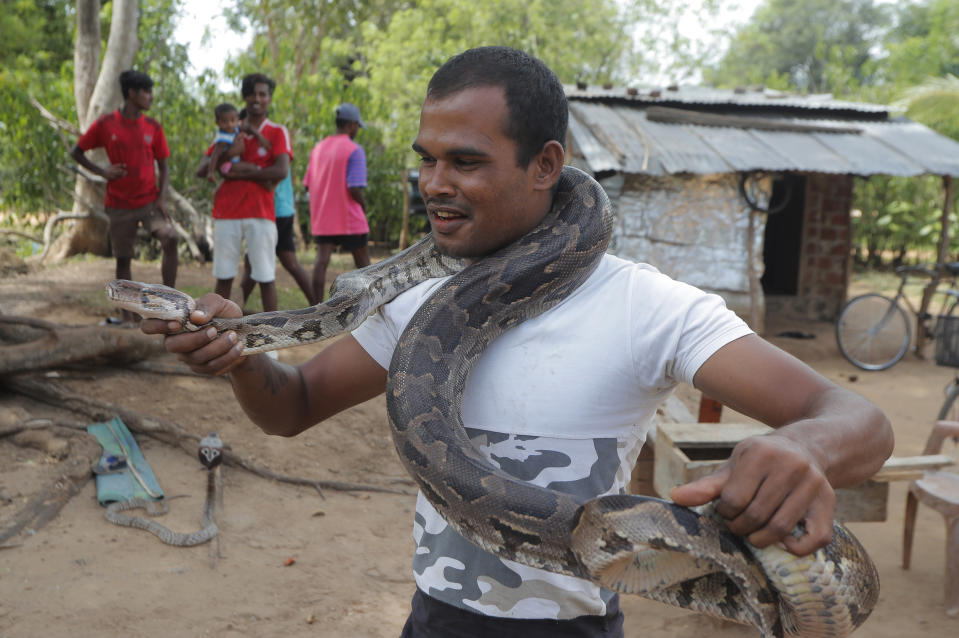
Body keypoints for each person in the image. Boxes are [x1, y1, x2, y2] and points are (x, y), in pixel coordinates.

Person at [143, 47, 893, 638]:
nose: (433, 182)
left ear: (545, 166)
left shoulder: (642, 304)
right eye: (426, 158)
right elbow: (292, 407)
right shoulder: (414, 304)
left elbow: (858, 420)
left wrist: (808, 448)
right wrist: (240, 359)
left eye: (465, 162)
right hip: (435, 619)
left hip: (575, 627)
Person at [71, 69, 178, 324]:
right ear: (132, 93)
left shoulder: (153, 127)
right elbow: (77, 152)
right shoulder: (107, 124)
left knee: (170, 238)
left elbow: (164, 166)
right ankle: (128, 316)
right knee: (123, 259)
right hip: (119, 205)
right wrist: (103, 172)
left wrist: (161, 199)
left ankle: (171, 303)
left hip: (150, 202)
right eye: (147, 92)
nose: (151, 97)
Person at [196, 73, 291, 314]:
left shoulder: (277, 132)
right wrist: (229, 156)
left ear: (269, 99)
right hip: (227, 212)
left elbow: (281, 169)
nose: (257, 99)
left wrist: (239, 174)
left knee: (265, 277)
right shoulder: (228, 128)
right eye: (253, 94)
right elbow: (201, 169)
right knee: (224, 276)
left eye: (263, 94)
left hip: (261, 213)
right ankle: (215, 333)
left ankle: (273, 340)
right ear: (245, 97)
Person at [302, 103, 371, 302]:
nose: (357, 130)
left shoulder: (318, 148)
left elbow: (308, 184)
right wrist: (363, 206)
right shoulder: (354, 150)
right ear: (351, 125)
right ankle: (374, 306)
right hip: (349, 217)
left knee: (321, 262)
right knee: (364, 265)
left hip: (324, 217)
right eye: (357, 126)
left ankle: (315, 307)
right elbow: (354, 187)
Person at [239, 168, 317, 308]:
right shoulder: (282, 150)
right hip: (282, 210)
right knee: (288, 261)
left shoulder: (273, 149)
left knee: (259, 269)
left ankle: (240, 311)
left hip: (271, 212)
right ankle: (317, 305)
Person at [205, 103, 273, 183]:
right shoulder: (223, 138)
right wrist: (211, 172)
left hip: (235, 162)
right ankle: (266, 183)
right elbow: (215, 155)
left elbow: (248, 128)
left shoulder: (234, 128)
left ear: (237, 119)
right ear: (217, 123)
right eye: (224, 121)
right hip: (227, 165)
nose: (229, 124)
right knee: (252, 168)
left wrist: (259, 136)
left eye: (232, 120)